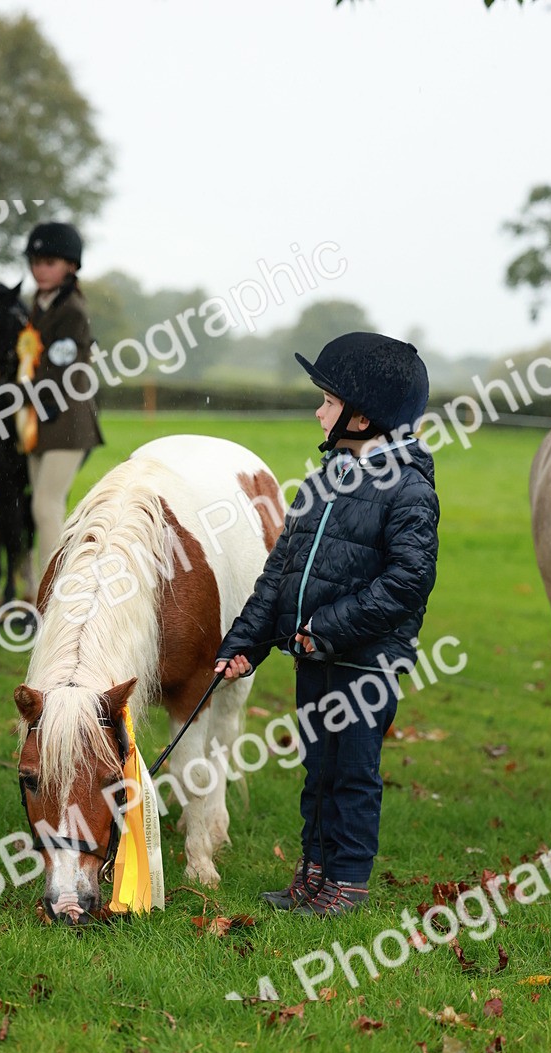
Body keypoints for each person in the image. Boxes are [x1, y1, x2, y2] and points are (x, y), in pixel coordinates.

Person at [214, 333, 440, 916]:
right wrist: (245, 645)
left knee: (353, 774)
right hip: (314, 657)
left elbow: (407, 582)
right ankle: (313, 874)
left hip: (365, 662)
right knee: (318, 772)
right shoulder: (322, 482)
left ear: (362, 417)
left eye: (328, 401)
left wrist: (326, 627)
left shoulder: (410, 488)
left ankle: (347, 883)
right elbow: (279, 575)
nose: (318, 411)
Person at [16, 221, 103, 587]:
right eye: (35, 262)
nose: (40, 269)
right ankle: (45, 588)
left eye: (49, 262)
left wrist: (24, 398)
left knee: (45, 506)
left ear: (70, 265)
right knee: (43, 506)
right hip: (40, 417)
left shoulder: (71, 310)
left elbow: (64, 371)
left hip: (65, 420)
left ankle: (54, 596)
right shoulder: (39, 304)